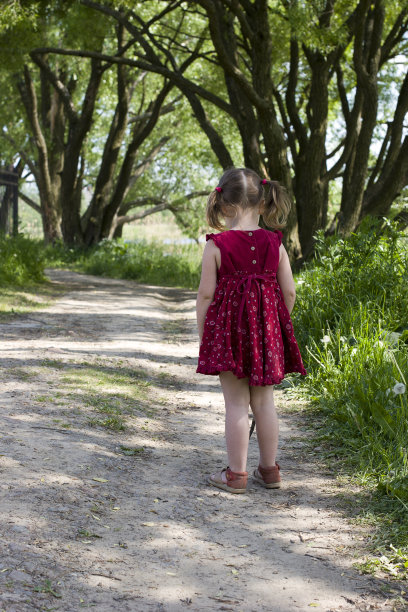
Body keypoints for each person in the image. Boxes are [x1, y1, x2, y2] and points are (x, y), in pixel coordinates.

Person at [196, 167, 306, 494]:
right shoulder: (276, 243)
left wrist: (206, 335)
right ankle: (270, 471)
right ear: (262, 203)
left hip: (228, 339)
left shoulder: (217, 245)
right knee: (265, 402)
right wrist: (273, 325)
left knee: (235, 404)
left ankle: (236, 475)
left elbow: (204, 296)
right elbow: (289, 293)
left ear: (224, 206)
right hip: (267, 337)